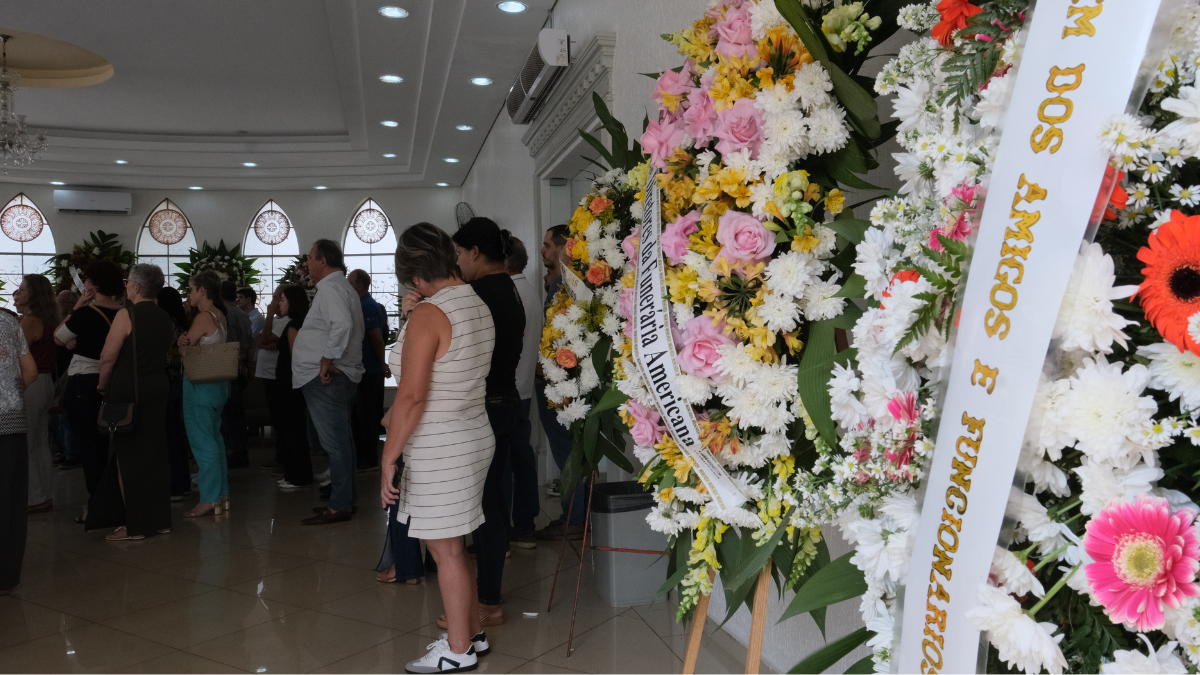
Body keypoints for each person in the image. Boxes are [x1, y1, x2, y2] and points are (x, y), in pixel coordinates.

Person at [383, 222, 494, 673]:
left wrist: (389, 455)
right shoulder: (474, 301)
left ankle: (458, 651)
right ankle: (472, 632)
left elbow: (409, 397)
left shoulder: (431, 314)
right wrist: (413, 317)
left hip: (441, 443)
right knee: (454, 543)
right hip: (471, 432)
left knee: (445, 548)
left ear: (413, 277)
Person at [432, 216, 526, 629]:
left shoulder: (475, 294)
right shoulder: (508, 287)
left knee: (483, 507)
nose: (455, 263)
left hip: (483, 405)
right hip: (507, 402)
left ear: (472, 252)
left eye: (457, 254)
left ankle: (486, 601)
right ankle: (486, 595)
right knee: (493, 502)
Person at [86, 264, 175, 541]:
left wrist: (102, 385)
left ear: (136, 287)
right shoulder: (164, 317)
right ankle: (160, 521)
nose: (126, 286)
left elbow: (108, 357)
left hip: (128, 390)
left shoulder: (128, 314)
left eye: (128, 282)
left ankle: (136, 525)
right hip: (157, 388)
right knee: (155, 455)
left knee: (128, 457)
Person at [294, 239, 364, 525]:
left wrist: (327, 359)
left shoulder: (331, 287)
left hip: (326, 377)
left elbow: (342, 325)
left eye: (310, 258)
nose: (306, 264)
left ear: (323, 260)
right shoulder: (339, 286)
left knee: (335, 444)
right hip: (333, 375)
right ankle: (345, 499)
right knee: (342, 442)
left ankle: (340, 505)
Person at [55, 260, 124, 501]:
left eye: (87, 279)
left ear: (94, 285)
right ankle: (113, 497)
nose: (84, 283)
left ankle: (98, 502)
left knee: (88, 444)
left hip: (84, 381)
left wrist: (77, 307)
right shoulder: (123, 313)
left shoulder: (86, 312)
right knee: (106, 443)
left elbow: (58, 337)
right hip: (113, 381)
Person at [535, 224, 587, 541]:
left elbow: (560, 337)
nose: (542, 251)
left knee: (567, 452)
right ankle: (575, 514)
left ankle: (574, 517)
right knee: (570, 450)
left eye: (546, 245)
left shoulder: (564, 287)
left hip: (560, 381)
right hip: (568, 380)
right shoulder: (565, 284)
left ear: (562, 247)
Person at [178, 271, 231, 518]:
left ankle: (209, 497)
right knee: (216, 439)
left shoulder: (203, 317)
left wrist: (181, 343)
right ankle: (221, 494)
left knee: (203, 441)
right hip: (218, 383)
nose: (189, 294)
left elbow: (186, 348)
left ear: (202, 290)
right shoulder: (220, 315)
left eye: (191, 289)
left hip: (200, 386)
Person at [503, 240, 541, 548]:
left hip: (508, 390)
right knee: (521, 456)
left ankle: (505, 530)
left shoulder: (509, 294)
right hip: (523, 386)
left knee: (504, 460)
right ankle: (525, 524)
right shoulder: (529, 290)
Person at [14, 274, 59, 514]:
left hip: (32, 381)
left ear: (33, 294)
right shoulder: (45, 318)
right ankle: (45, 494)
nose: (17, 294)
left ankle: (34, 497)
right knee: (40, 442)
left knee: (28, 442)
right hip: (45, 381)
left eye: (21, 290)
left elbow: (13, 354)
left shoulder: (30, 322)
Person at [0, 307, 37, 596]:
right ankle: (6, 577)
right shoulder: (8, 320)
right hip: (12, 421)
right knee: (10, 499)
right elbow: (31, 372)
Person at [348, 269, 389, 472]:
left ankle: (370, 458)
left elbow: (377, 338)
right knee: (360, 415)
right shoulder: (359, 305)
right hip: (362, 369)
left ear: (360, 286)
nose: (348, 287)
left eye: (350, 283)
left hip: (369, 369)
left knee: (367, 416)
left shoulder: (367, 307)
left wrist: (382, 364)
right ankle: (361, 456)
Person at [273, 285, 313, 490]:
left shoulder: (293, 326)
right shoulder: (297, 323)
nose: (279, 303)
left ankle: (298, 476)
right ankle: (292, 473)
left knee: (292, 429)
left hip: (291, 384)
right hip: (290, 383)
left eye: (283, 300)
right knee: (291, 428)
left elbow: (297, 358)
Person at [158, 286, 192, 501]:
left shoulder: (166, 323)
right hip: (179, 381)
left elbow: (166, 356)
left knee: (169, 434)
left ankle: (175, 485)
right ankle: (182, 482)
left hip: (169, 381)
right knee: (177, 434)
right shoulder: (181, 322)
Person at [255, 285, 290, 473]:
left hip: (275, 374)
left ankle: (282, 458)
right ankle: (280, 456)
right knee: (276, 418)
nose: (274, 302)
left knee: (280, 419)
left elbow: (267, 338)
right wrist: (264, 341)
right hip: (267, 373)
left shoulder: (286, 321)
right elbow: (259, 339)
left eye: (278, 298)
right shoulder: (277, 320)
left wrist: (268, 316)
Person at [220, 281, 252, 469]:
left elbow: (227, 343)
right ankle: (241, 450)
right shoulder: (242, 313)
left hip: (229, 365)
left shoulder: (226, 314)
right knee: (237, 413)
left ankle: (236, 451)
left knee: (229, 414)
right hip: (241, 365)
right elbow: (248, 341)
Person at [51, 290, 78, 470]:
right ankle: (61, 449)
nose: (60, 305)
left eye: (64, 302)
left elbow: (77, 352)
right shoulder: (58, 323)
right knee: (56, 418)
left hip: (67, 375)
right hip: (55, 374)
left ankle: (72, 454)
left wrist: (65, 374)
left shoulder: (74, 324)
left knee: (65, 418)